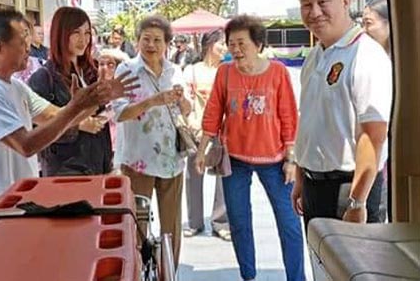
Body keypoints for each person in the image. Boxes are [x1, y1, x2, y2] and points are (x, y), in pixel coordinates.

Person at [0, 8, 138, 219]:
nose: (29, 48)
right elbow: (26, 144)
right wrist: (77, 107)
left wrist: (95, 100)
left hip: (19, 199)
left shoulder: (16, 87)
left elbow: (56, 117)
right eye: (22, 42)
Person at [196, 15, 305, 281]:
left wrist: (291, 159)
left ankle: (297, 278)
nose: (235, 49)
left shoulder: (278, 72)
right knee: (239, 222)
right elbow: (213, 112)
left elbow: (289, 116)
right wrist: (202, 149)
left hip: (275, 161)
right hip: (235, 159)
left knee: (289, 223)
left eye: (241, 43)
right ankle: (248, 275)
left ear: (258, 44)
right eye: (231, 43)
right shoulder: (225, 72)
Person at [290, 0, 391, 228]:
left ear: (345, 1)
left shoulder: (366, 55)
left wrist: (357, 202)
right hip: (314, 185)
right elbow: (309, 121)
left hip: (349, 187)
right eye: (306, 4)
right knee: (319, 254)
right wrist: (301, 177)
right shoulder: (314, 56)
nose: (315, 12)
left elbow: (373, 135)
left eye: (323, 2)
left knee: (354, 256)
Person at [112, 15, 191, 267]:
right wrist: (152, 101)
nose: (151, 45)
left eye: (158, 40)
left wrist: (182, 100)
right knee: (137, 224)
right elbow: (119, 113)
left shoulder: (174, 70)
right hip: (138, 160)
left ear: (167, 43)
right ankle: (137, 270)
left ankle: (169, 271)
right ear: (137, 41)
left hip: (172, 160)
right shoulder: (125, 70)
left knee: (171, 226)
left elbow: (186, 110)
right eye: (146, 39)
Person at [28, 7, 111, 176]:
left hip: (98, 161)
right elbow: (37, 133)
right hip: (65, 169)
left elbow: (101, 113)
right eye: (76, 32)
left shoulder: (92, 71)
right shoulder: (43, 78)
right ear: (61, 33)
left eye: (87, 33)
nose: (83, 39)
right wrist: (79, 125)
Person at [181, 29, 230, 241]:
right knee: (194, 175)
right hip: (197, 130)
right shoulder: (191, 71)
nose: (225, 48)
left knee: (224, 175)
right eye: (222, 44)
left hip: (223, 130)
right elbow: (186, 101)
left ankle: (221, 222)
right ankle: (194, 221)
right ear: (210, 45)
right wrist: (193, 124)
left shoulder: (227, 71)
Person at [362, 0, 391, 222]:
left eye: (369, 23)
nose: (363, 30)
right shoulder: (365, 60)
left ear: (389, 24)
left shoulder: (402, 64)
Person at [96, 47, 130, 162]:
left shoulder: (126, 89)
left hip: (120, 145)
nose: (104, 68)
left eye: (110, 65)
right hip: (99, 146)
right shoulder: (92, 88)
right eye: (101, 64)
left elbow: (117, 112)